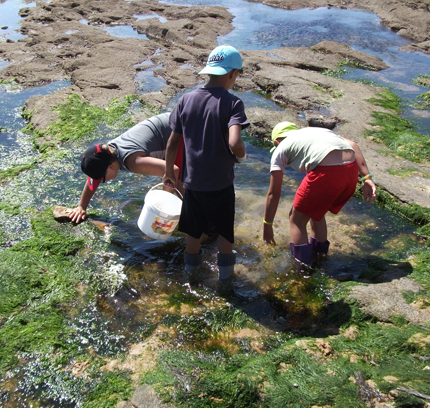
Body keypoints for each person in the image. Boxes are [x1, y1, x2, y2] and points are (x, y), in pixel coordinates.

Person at [163, 45, 249, 280]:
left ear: (209, 71)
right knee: (224, 234)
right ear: (232, 74)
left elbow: (172, 143)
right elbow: (235, 142)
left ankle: (190, 274)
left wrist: (169, 172)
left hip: (192, 184)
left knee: (193, 232)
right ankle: (226, 280)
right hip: (221, 185)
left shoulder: (185, 100)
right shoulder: (233, 104)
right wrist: (240, 156)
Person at [262, 121, 377, 267]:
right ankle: (320, 258)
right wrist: (367, 178)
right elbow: (352, 144)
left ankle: (302, 269)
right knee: (316, 212)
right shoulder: (313, 132)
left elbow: (273, 193)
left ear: (276, 142)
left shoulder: (281, 149)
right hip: (350, 171)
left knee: (296, 219)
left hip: (325, 172)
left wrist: (267, 225)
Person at [69, 112, 183, 223]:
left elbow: (173, 170)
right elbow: (91, 180)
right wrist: (81, 207)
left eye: (102, 179)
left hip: (180, 131)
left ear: (110, 167)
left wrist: (163, 209)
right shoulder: (108, 152)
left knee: (181, 186)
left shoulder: (133, 162)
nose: (103, 182)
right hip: (172, 122)